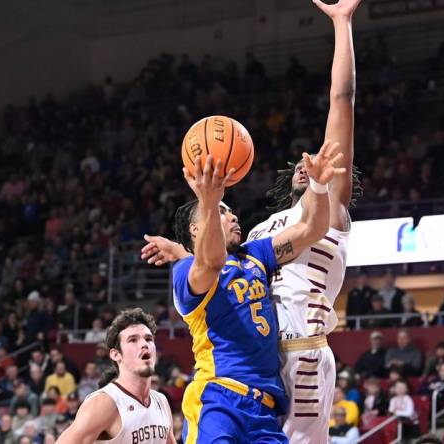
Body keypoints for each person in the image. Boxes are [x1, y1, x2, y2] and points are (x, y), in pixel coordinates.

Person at [143, 4, 361, 441]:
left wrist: (342, 24)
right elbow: (223, 270)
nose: (309, 161)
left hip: (300, 353)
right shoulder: (262, 231)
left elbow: (342, 100)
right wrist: (185, 250)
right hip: (257, 363)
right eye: (303, 161)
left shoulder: (324, 206)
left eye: (317, 161)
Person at [56, 309, 175, 444]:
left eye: (148, 339)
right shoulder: (104, 403)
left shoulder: (161, 401)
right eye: (133, 340)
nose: (144, 344)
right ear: (116, 354)